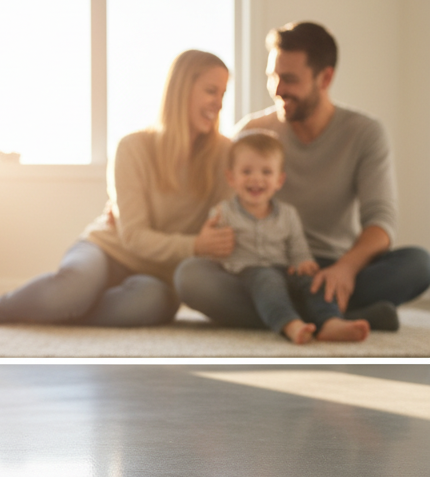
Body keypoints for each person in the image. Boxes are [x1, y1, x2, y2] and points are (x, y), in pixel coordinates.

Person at [0, 50, 234, 328]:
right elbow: (133, 235)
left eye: (223, 94)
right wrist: (195, 245)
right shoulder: (133, 147)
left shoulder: (224, 154)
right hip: (107, 250)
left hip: (160, 276)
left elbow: (221, 231)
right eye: (211, 91)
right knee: (69, 292)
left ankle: (59, 313)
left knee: (149, 305)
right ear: (182, 90)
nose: (218, 103)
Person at [175, 21, 430, 330]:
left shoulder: (365, 133)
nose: (277, 89)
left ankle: (285, 316)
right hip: (264, 266)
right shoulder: (251, 133)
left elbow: (381, 221)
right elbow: (210, 190)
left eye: (289, 79)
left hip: (331, 265)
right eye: (273, 77)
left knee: (419, 263)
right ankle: (334, 317)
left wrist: (346, 270)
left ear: (325, 78)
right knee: (190, 276)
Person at [214, 131, 371, 344]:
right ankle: (290, 324)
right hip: (246, 272)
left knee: (313, 281)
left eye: (266, 172)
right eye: (247, 171)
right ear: (231, 177)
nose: (256, 178)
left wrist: (303, 262)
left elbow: (297, 246)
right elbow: (212, 245)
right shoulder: (223, 213)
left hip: (284, 269)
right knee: (266, 279)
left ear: (279, 180)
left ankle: (329, 322)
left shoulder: (288, 214)